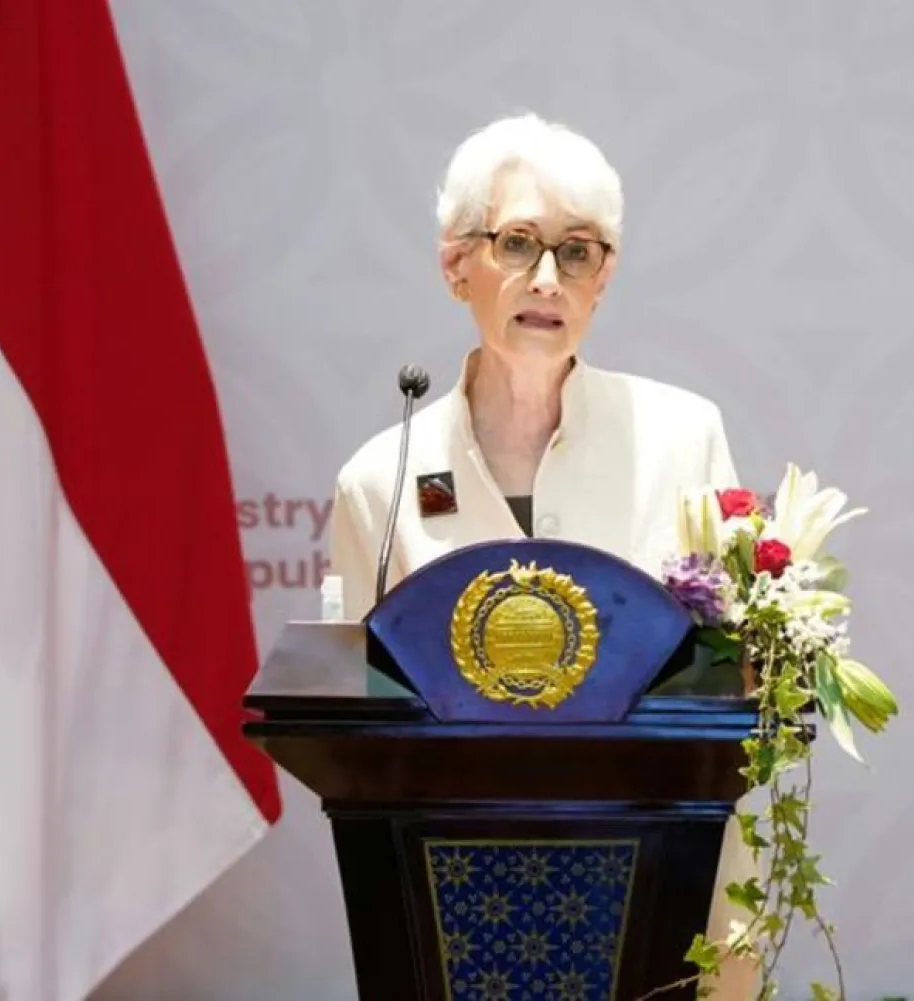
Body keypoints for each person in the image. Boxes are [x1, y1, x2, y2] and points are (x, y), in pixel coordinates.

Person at [325, 112, 757, 998]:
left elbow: (738, 679)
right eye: (518, 243)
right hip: (460, 911)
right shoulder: (383, 477)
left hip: (666, 904)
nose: (548, 279)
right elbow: (345, 724)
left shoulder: (683, 438)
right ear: (456, 266)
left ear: (606, 279)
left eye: (579, 251)